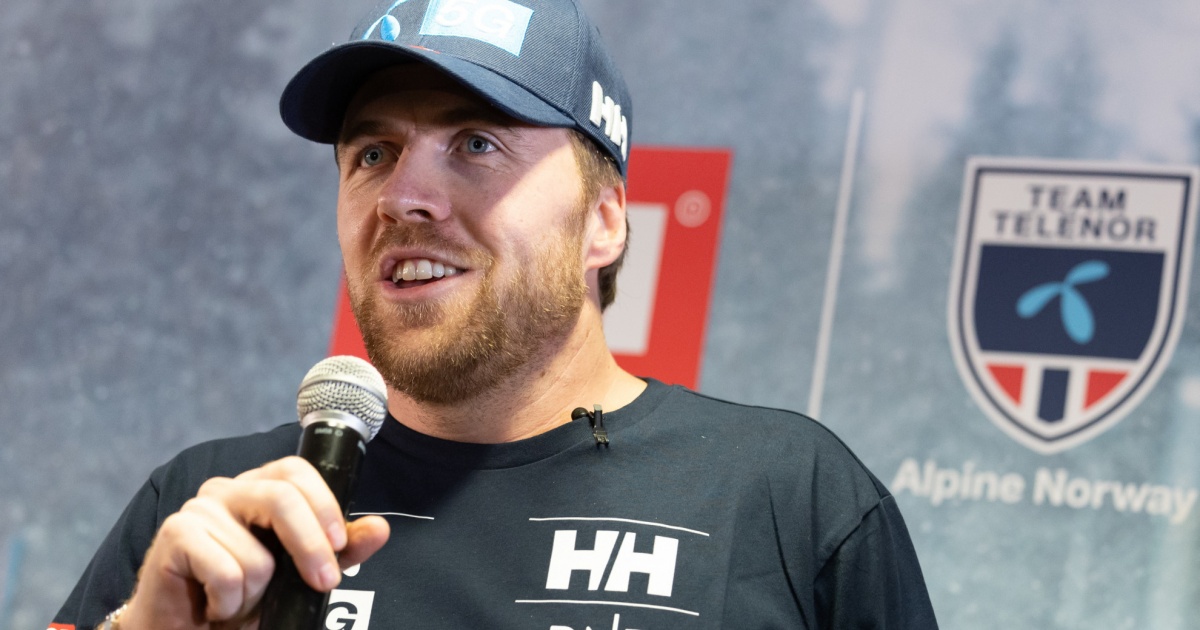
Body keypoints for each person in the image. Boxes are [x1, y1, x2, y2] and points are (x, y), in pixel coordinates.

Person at [53, 0, 939, 628]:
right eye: (372, 153)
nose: (402, 196)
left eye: (476, 143)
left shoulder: (786, 500)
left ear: (604, 222)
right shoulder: (211, 510)